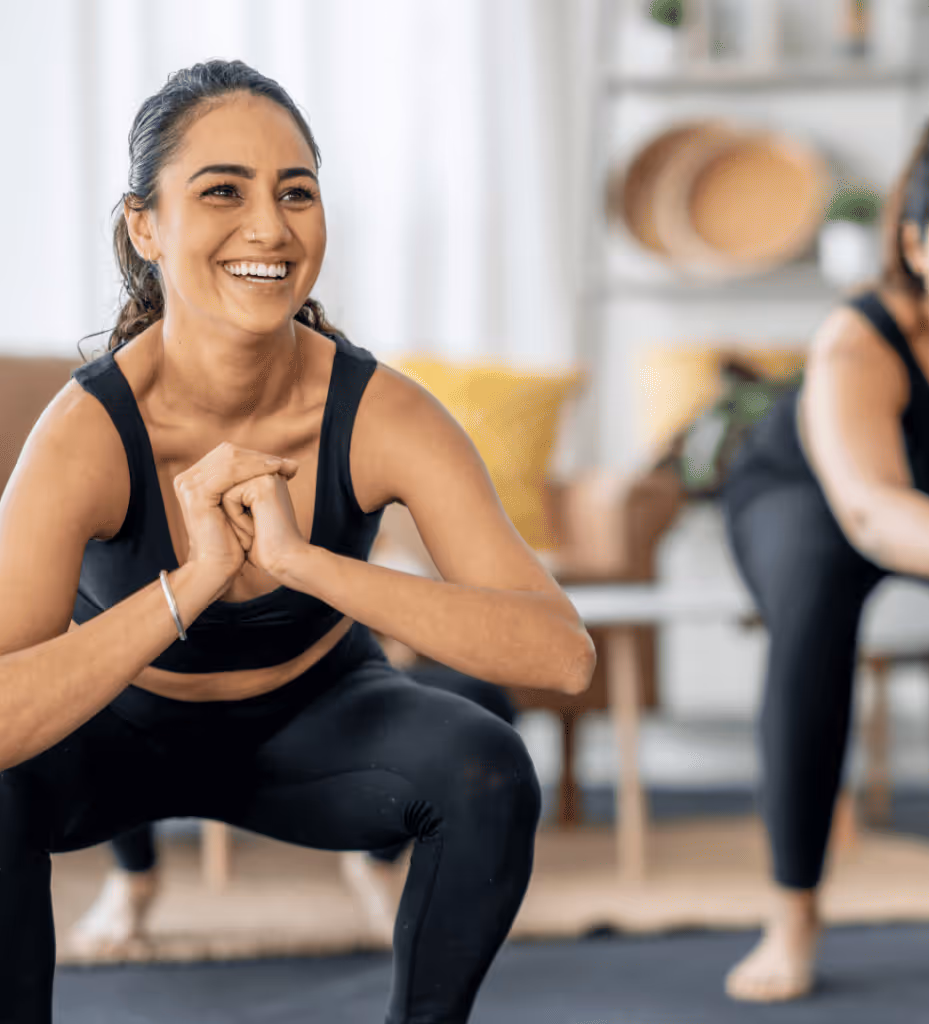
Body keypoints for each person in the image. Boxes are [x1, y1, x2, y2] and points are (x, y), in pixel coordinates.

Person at [0, 58, 596, 1024]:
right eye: (223, 192)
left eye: (297, 193)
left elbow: (560, 656)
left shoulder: (383, 413)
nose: (270, 227)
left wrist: (304, 562)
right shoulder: (85, 433)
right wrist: (191, 585)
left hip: (314, 719)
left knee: (486, 768)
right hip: (120, 733)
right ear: (144, 226)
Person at [719, 106, 929, 1003]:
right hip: (813, 491)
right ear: (916, 242)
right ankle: (792, 917)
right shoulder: (860, 338)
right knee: (813, 610)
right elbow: (876, 516)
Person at [66, 657, 523, 954]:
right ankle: (135, 878)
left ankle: (376, 863)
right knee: (98, 700)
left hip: (326, 675)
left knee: (485, 701)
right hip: (177, 680)